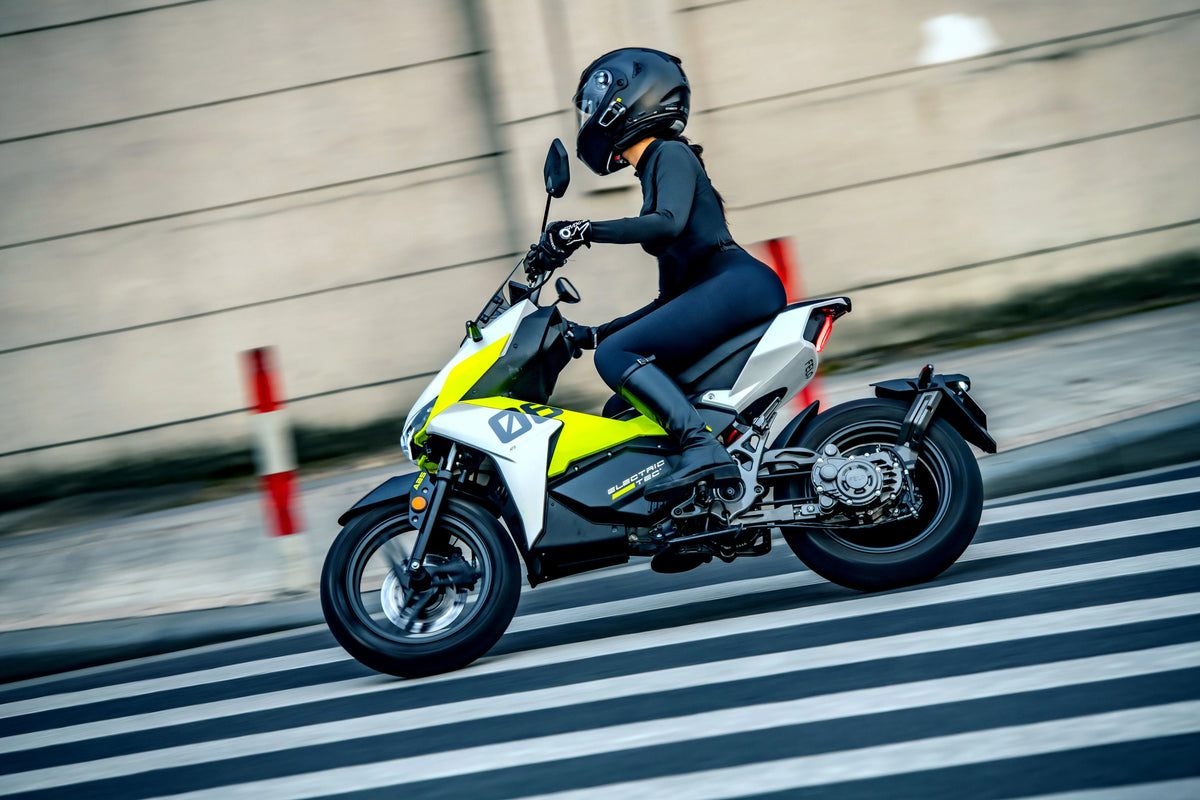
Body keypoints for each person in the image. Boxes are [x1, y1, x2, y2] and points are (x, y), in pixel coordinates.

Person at [528, 47, 786, 499]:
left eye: (593, 103)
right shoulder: (654, 171)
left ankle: (700, 446)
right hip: (725, 290)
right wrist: (593, 334)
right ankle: (687, 506)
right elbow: (668, 303)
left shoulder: (670, 154)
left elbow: (665, 223)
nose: (589, 116)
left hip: (739, 285)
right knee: (621, 406)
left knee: (615, 356)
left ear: (630, 98)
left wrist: (584, 230)